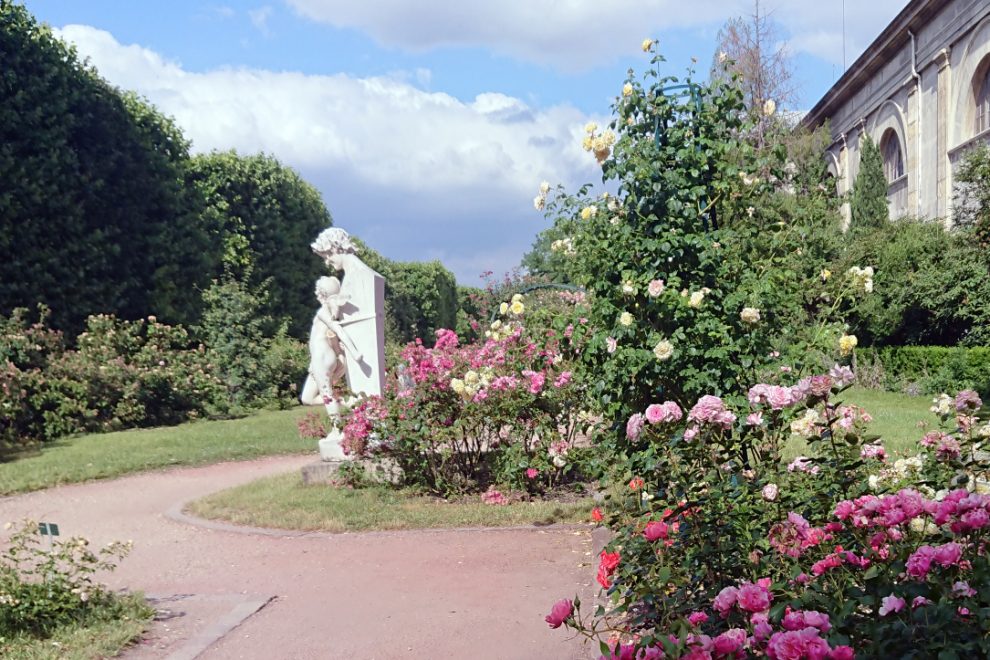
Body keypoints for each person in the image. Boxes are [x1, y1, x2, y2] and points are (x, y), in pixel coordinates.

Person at [300, 275, 362, 414]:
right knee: (307, 398)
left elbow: (337, 330)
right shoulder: (328, 309)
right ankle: (346, 402)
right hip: (318, 357)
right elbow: (332, 335)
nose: (316, 294)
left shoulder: (324, 312)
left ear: (322, 293)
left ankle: (337, 430)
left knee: (326, 395)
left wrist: (353, 351)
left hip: (322, 356)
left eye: (318, 291)